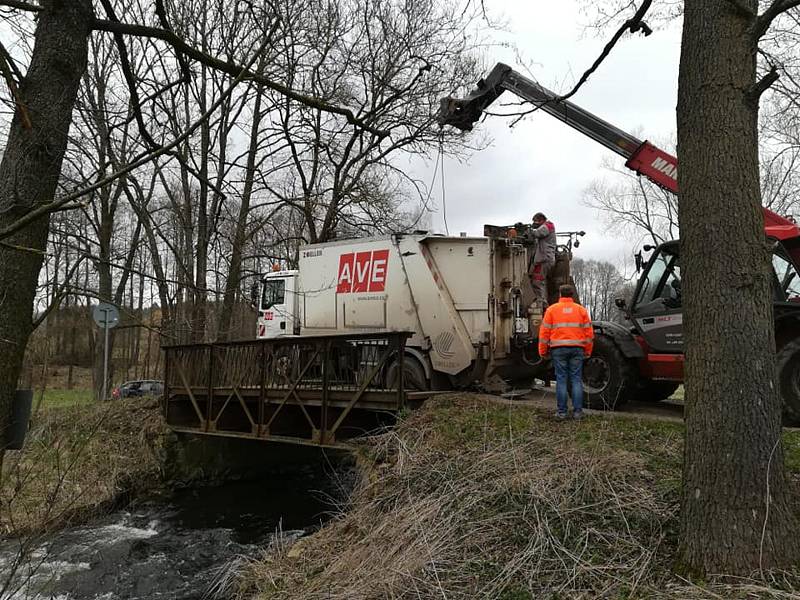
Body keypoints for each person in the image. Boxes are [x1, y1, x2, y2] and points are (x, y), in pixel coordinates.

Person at [538, 284, 594, 420]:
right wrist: (588, 350)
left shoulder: (552, 310)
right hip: (577, 349)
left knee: (561, 379)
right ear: (572, 295)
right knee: (576, 379)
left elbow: (544, 333)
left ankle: (562, 412)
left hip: (558, 349)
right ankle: (578, 412)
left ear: (560, 295)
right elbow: (589, 334)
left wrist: (543, 351)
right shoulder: (581, 310)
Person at [525, 212, 557, 307]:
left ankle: (541, 302)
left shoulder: (548, 225)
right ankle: (542, 301)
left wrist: (529, 231)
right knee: (538, 280)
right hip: (544, 259)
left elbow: (538, 232)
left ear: (541, 220)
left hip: (544, 259)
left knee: (537, 280)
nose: (535, 224)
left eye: (536, 221)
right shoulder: (547, 227)